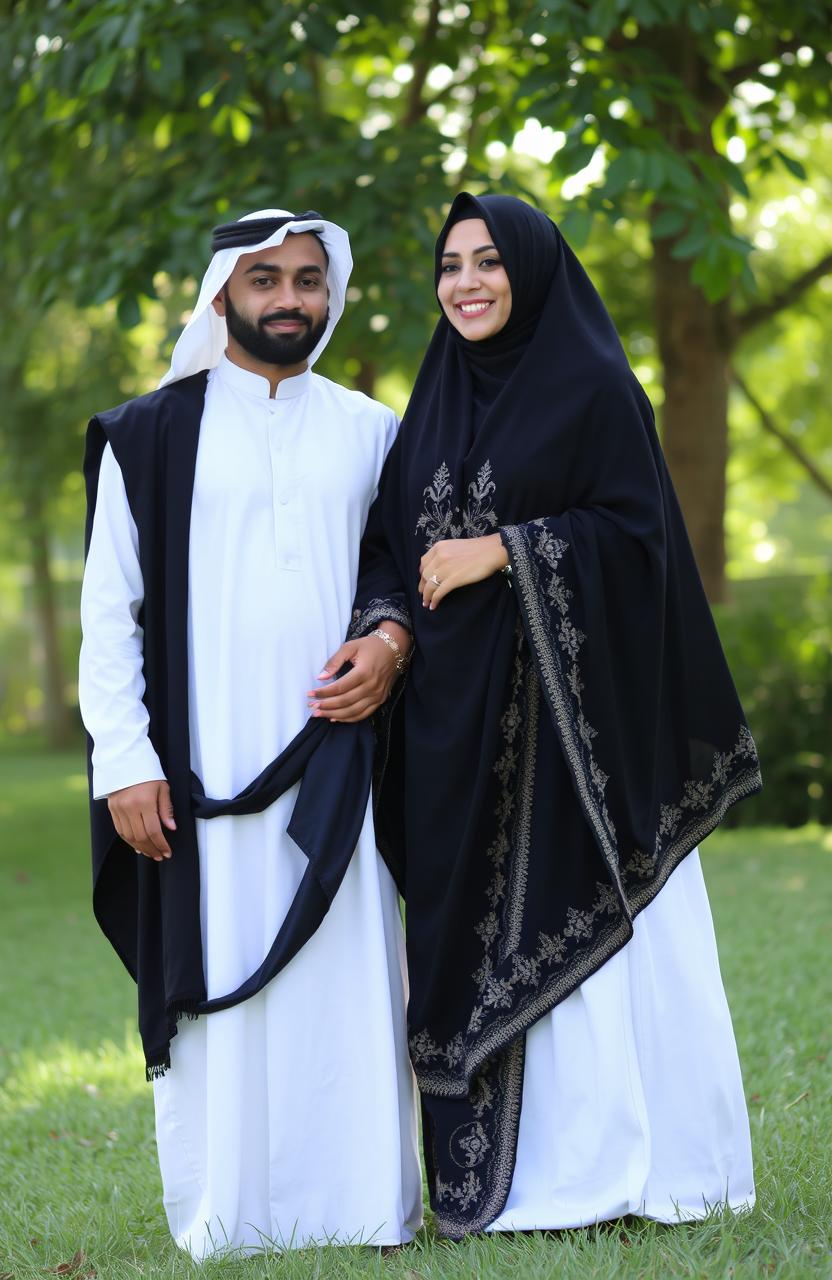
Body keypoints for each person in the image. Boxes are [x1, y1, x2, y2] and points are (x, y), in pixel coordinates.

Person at [312, 193, 762, 1239]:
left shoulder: (596, 389)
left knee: (592, 945)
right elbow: (388, 547)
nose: (465, 282)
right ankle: (512, 1185)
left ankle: (629, 1168)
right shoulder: (430, 402)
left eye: (487, 261)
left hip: (577, 743)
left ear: (531, 270)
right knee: (462, 936)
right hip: (455, 740)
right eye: (448, 264)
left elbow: (639, 541)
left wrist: (504, 550)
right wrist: (383, 632)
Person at [79, 209, 422, 1257]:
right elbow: (110, 611)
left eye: (309, 280)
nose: (289, 300)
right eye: (266, 278)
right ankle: (231, 1212)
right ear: (223, 290)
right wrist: (125, 760)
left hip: (341, 761)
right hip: (198, 770)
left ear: (332, 293)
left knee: (349, 975)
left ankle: (367, 1203)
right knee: (218, 973)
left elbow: (399, 570)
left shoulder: (373, 428)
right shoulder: (146, 432)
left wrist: (392, 642)